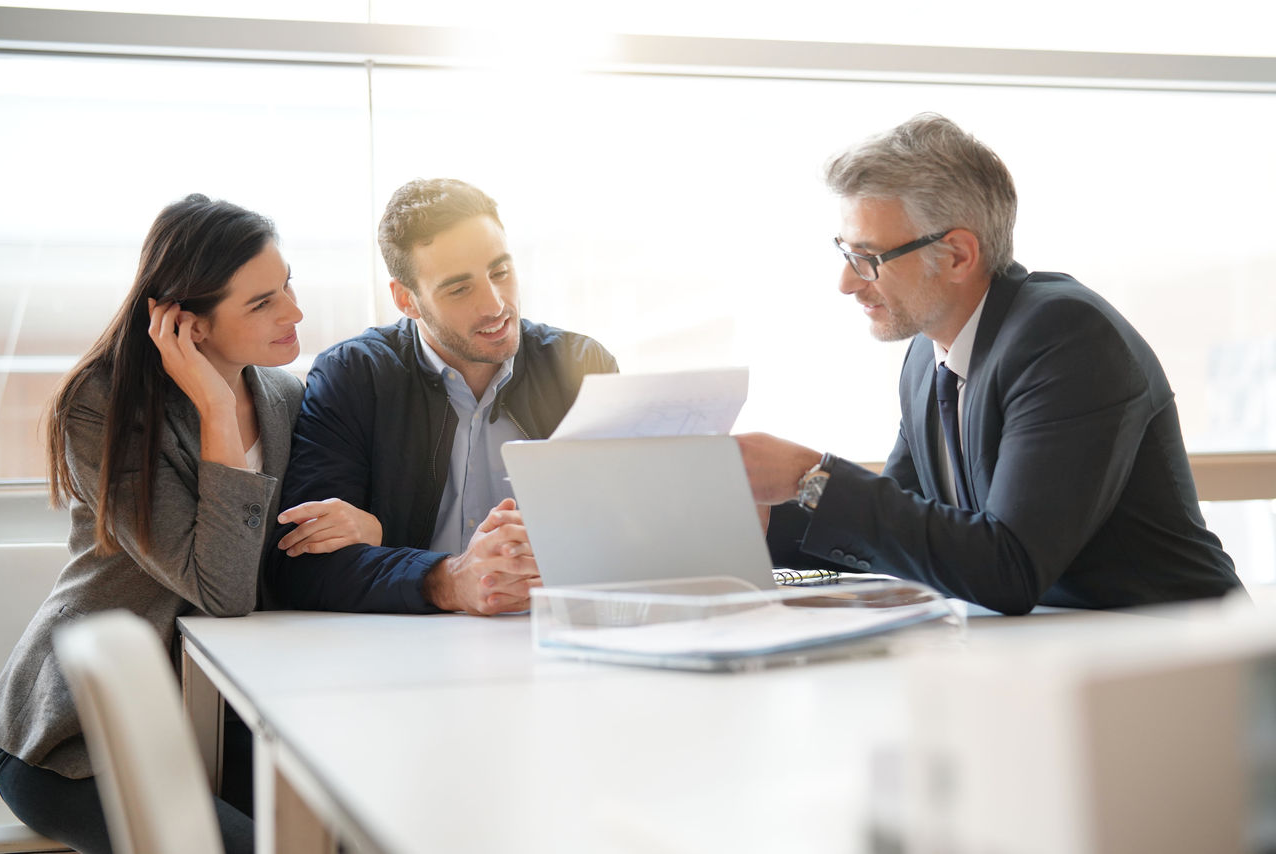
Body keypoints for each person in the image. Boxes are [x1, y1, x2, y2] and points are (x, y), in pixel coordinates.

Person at [738, 114, 1240, 616]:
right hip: (1063, 647)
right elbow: (909, 532)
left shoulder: (1067, 338)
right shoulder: (926, 356)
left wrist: (811, 477)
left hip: (1180, 655)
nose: (847, 283)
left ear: (958, 255)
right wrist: (735, 517)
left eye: (868, 257)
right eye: (846, 252)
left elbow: (1010, 567)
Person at [0, 194, 376, 854]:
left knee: (356, 833)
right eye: (261, 303)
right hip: (79, 740)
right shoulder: (101, 407)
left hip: (227, 722)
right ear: (189, 326)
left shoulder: (288, 397)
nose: (295, 312)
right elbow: (222, 589)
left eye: (287, 285)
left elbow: (291, 561)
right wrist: (215, 410)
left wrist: (365, 527)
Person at [269, 178, 618, 615]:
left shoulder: (581, 366)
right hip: (405, 650)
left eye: (501, 272)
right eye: (459, 288)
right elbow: (302, 568)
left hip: (555, 634)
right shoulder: (354, 376)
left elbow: (627, 535)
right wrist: (449, 580)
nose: (495, 305)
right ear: (406, 299)